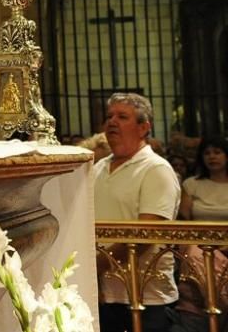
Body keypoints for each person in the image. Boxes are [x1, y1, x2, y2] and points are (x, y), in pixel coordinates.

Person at [93, 92, 181, 332]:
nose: (112, 122)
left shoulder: (156, 169)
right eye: (109, 116)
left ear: (144, 127)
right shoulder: (98, 168)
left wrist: (95, 265)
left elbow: (145, 235)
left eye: (122, 117)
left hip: (147, 297)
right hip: (103, 294)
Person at [174, 136, 228, 332]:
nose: (212, 157)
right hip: (201, 248)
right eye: (207, 153)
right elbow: (185, 222)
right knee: (195, 254)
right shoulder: (192, 184)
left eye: (217, 152)